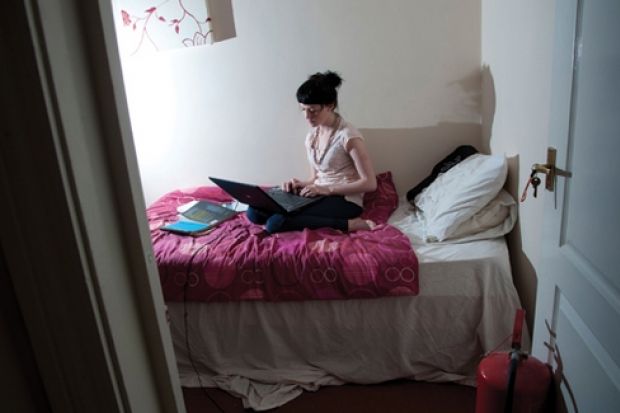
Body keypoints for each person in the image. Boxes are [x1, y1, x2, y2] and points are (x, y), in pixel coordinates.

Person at [246, 71, 378, 234]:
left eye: (313, 110)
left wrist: (327, 190)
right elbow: (315, 178)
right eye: (303, 109)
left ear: (330, 105)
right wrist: (301, 184)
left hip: (345, 199)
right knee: (254, 212)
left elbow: (370, 183)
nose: (307, 116)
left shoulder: (348, 136)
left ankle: (350, 224)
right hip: (319, 193)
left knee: (276, 223)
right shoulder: (312, 136)